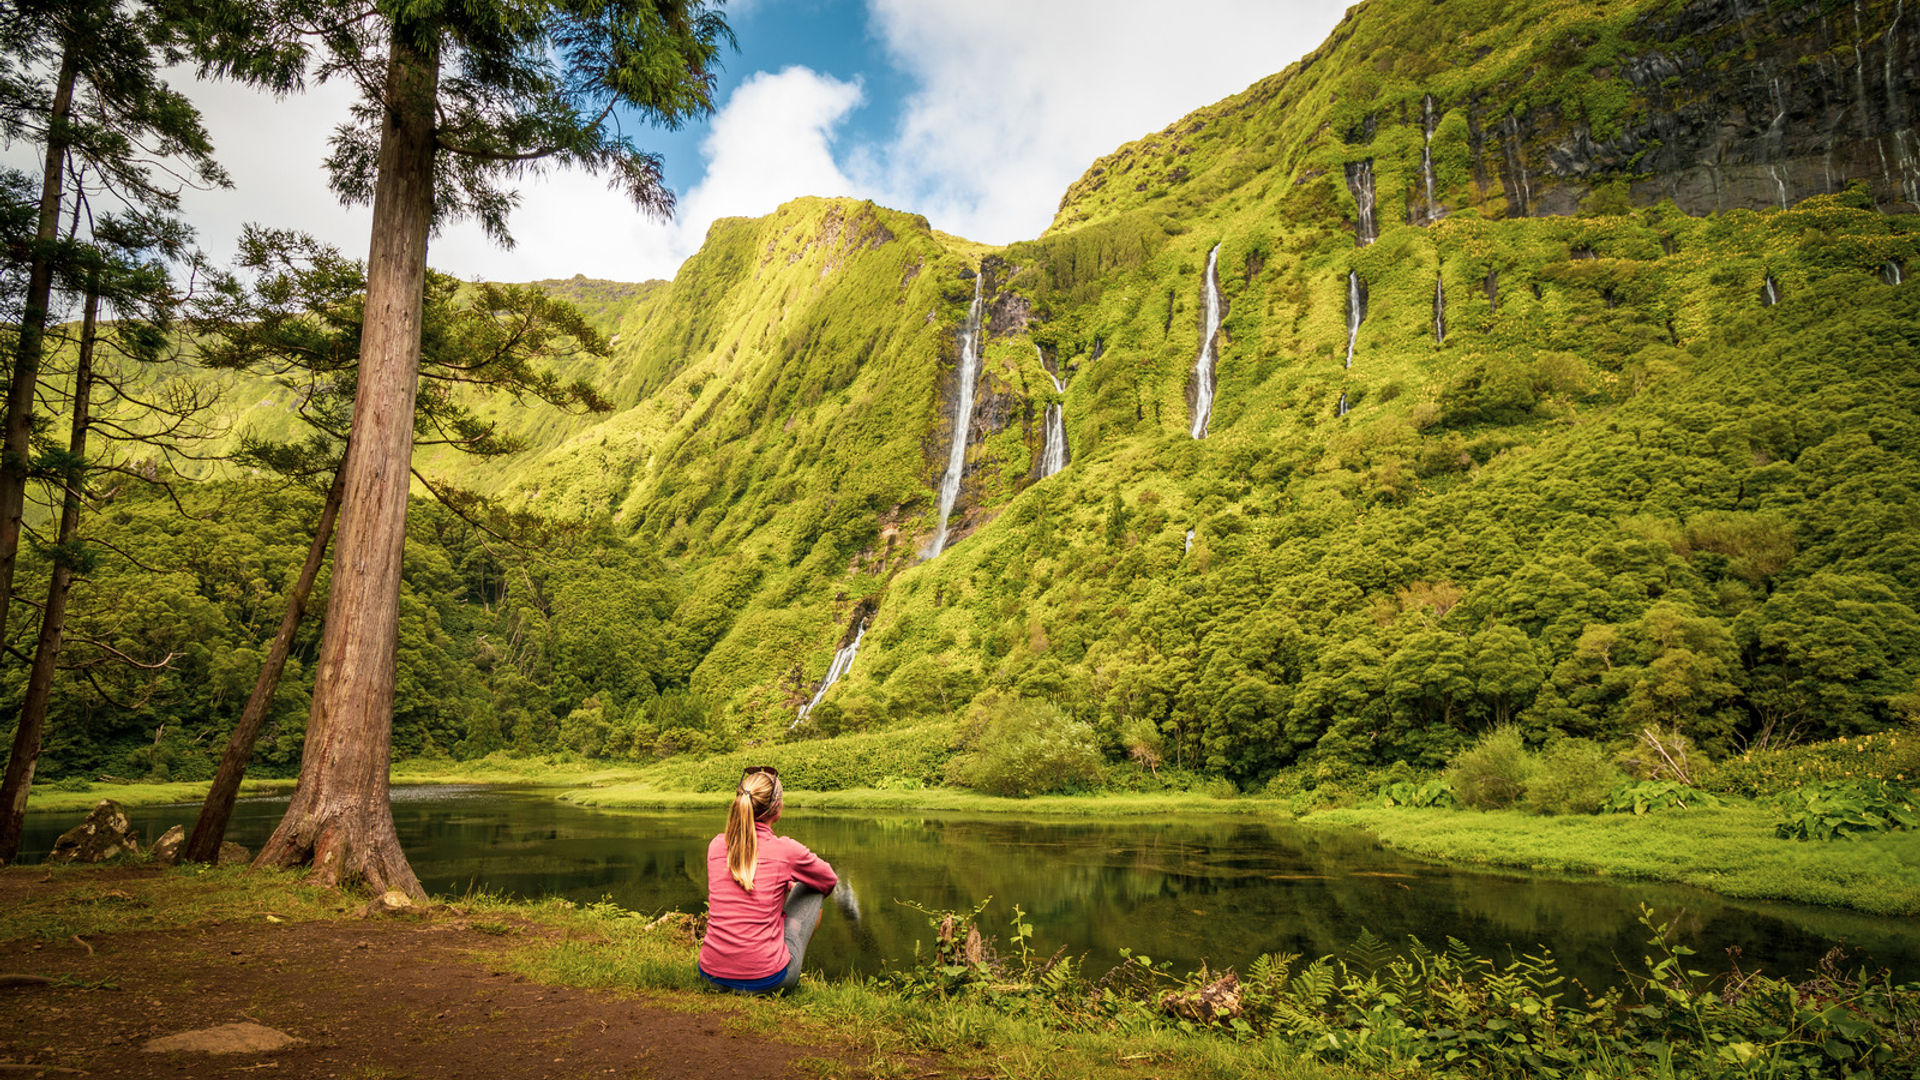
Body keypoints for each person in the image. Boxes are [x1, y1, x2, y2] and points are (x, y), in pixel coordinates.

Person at [697, 766, 837, 993]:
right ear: (777, 807)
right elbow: (828, 880)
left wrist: (783, 884)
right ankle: (788, 959)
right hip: (768, 980)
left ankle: (754, 957)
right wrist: (793, 885)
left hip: (711, 974)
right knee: (813, 888)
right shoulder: (786, 850)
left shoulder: (716, 845)